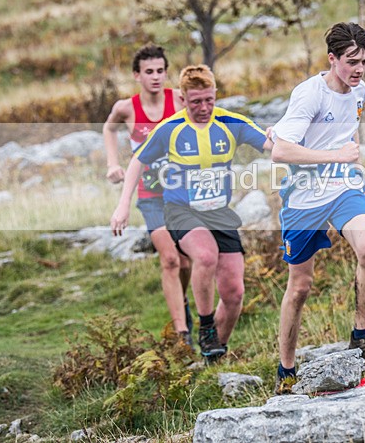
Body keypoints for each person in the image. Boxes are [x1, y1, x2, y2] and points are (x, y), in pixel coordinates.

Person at [110, 64, 272, 363]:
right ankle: (206, 325)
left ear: (215, 95)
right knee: (206, 256)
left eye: (209, 99)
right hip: (181, 211)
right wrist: (122, 205)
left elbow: (271, 144)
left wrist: (291, 142)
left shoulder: (229, 122)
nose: (204, 107)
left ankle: (214, 354)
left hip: (219, 212)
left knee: (234, 293)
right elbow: (136, 161)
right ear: (183, 100)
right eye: (196, 101)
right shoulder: (170, 129)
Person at [271, 22, 365, 394]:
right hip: (304, 196)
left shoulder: (358, 90)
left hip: (343, 187)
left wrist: (351, 160)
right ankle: (286, 370)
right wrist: (335, 154)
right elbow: (280, 150)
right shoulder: (310, 94)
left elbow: (346, 130)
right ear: (332, 59)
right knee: (300, 286)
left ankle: (362, 335)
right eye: (351, 61)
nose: (359, 69)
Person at [103, 44, 194, 347]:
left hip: (182, 192)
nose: (156, 77)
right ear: (137, 75)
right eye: (149, 72)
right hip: (150, 194)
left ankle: (182, 304)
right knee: (169, 259)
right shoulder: (126, 108)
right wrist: (113, 163)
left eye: (160, 71)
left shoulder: (179, 100)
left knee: (185, 263)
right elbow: (109, 128)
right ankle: (182, 335)